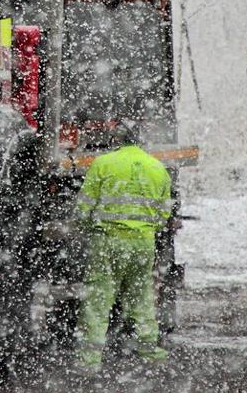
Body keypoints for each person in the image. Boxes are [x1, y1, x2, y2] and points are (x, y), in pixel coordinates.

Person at [74, 120, 173, 373]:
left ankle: (90, 360)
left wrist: (87, 229)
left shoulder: (103, 164)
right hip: (143, 244)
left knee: (98, 300)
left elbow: (84, 208)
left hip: (108, 241)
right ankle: (150, 350)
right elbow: (163, 216)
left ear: (116, 140)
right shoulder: (158, 168)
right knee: (141, 297)